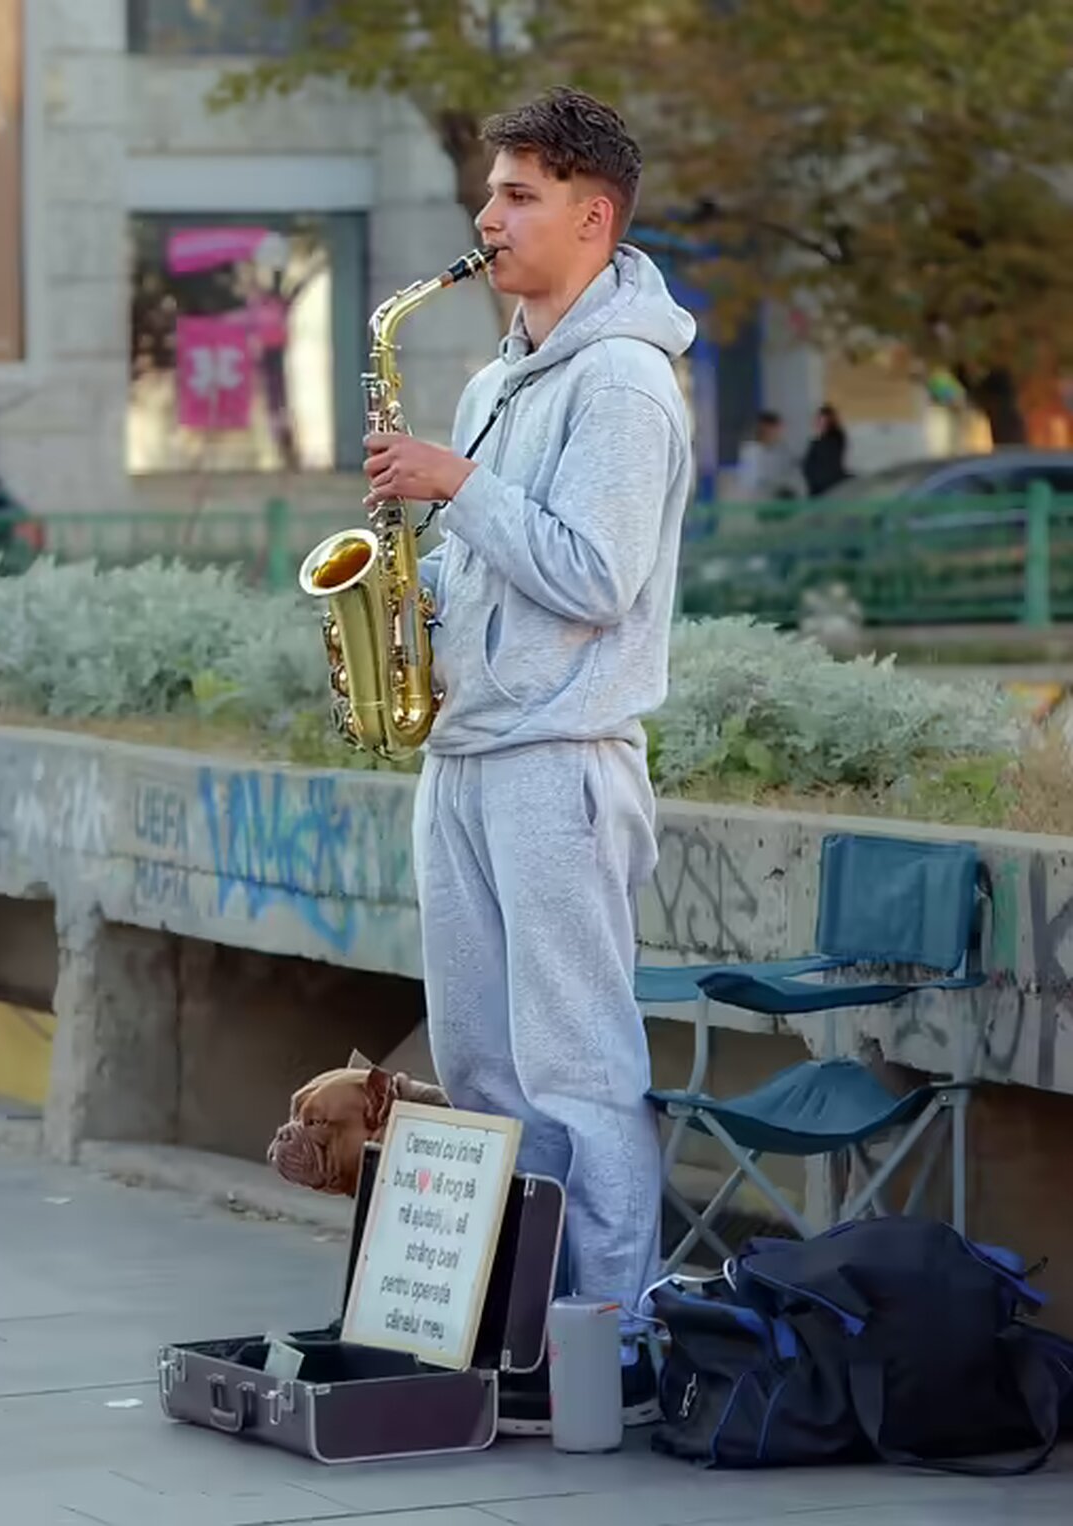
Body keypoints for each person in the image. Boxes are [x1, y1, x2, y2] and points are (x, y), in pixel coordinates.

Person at [362, 86, 695, 1433]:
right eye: (489, 192)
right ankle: (511, 1342)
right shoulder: (499, 374)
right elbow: (491, 565)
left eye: (515, 195)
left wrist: (458, 486)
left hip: (560, 762)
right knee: (485, 1069)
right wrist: (404, 592)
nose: (484, 216)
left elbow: (598, 576)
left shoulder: (625, 378)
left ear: (593, 216)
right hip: (468, 757)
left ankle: (609, 1350)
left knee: (576, 1071)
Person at [731, 409, 805, 502]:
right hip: (760, 502)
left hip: (782, 501)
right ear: (765, 428)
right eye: (775, 429)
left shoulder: (783, 451)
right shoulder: (751, 451)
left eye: (779, 429)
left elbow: (792, 476)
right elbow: (750, 482)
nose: (779, 433)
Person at [802, 403, 849, 497]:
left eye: (820, 420)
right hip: (819, 488)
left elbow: (826, 467)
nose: (816, 422)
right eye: (817, 419)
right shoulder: (819, 441)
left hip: (826, 489)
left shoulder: (833, 440)